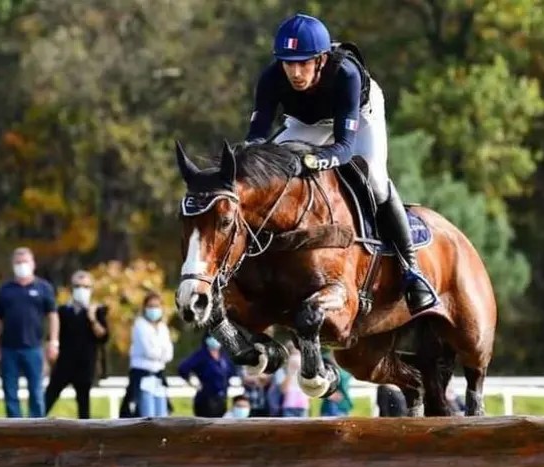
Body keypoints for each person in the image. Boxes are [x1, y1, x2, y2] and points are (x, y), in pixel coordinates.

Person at [244, 13, 438, 316]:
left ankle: (411, 271)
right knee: (267, 177)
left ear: (321, 60)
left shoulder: (346, 74)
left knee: (375, 180)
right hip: (306, 121)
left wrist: (315, 160)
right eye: (288, 62)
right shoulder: (271, 78)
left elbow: (345, 148)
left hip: (359, 115)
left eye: (303, 63)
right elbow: (256, 138)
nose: (295, 72)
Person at [0, 247, 58, 418]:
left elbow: (53, 316)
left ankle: (36, 428)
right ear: (13, 265)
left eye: (25, 262)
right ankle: (14, 427)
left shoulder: (43, 288)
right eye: (18, 263)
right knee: (10, 392)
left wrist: (53, 341)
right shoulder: (5, 290)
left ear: (33, 264)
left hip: (34, 348)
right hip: (8, 348)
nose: (22, 266)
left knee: (36, 391)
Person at [43, 270, 109, 419]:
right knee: (47, 399)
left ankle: (85, 438)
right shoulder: (62, 311)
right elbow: (52, 336)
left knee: (84, 407)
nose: (82, 290)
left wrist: (92, 318)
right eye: (78, 286)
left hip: (85, 365)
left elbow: (103, 336)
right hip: (63, 364)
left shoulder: (97, 311)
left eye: (86, 286)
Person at [127, 292, 173, 418]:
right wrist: (161, 352)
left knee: (163, 416)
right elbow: (149, 351)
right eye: (151, 306)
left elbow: (169, 353)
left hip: (158, 377)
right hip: (143, 377)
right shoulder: (140, 325)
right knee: (148, 417)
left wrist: (160, 353)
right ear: (145, 308)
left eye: (157, 306)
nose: (154, 310)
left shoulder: (163, 327)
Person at [177, 334, 242, 418]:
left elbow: (232, 371)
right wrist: (191, 379)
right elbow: (183, 368)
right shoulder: (201, 355)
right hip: (205, 398)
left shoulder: (224, 356)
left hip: (222, 398)